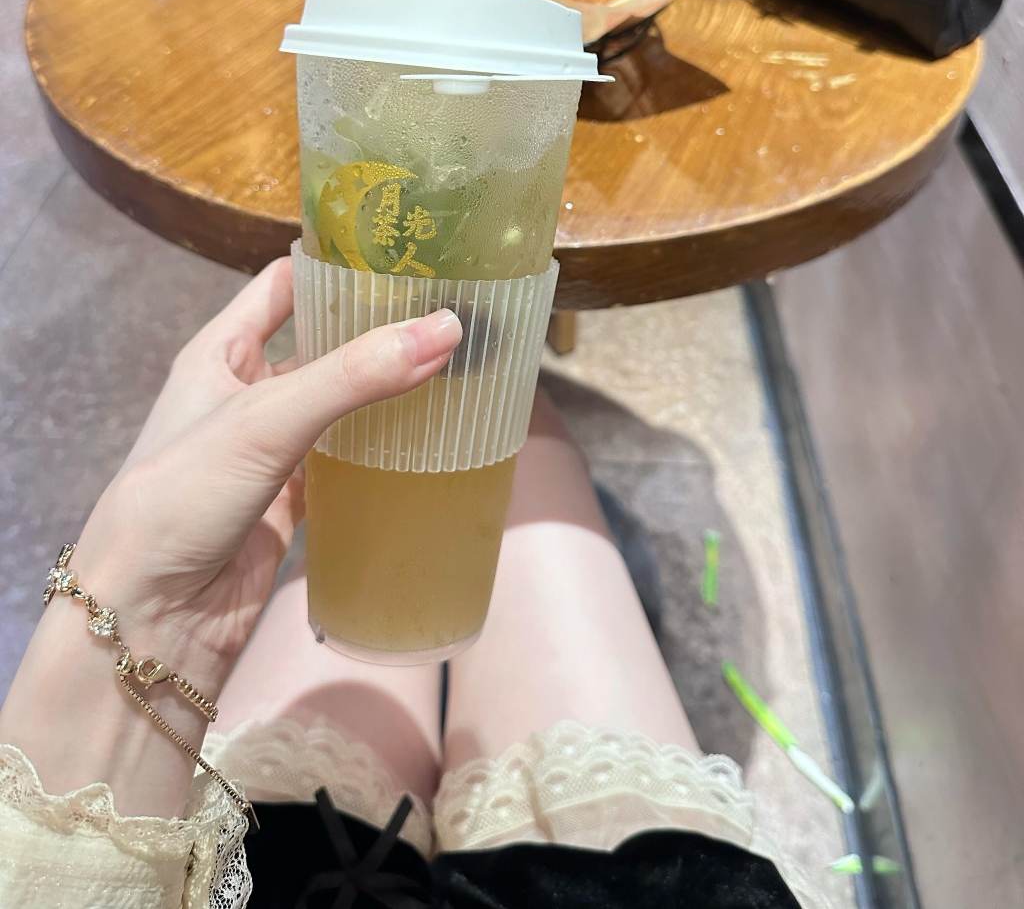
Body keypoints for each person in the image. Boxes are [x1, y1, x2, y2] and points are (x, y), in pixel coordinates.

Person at [0, 258, 827, 909]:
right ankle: (519, 431)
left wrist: (150, 608)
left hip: (265, 870)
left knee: (395, 550)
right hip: (633, 885)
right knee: (526, 435)